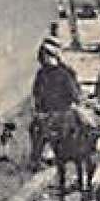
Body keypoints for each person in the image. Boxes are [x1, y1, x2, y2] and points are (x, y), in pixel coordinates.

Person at [30, 37, 82, 169]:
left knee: (44, 129)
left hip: (58, 113)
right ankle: (38, 158)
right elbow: (37, 94)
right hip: (51, 113)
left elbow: (75, 95)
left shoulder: (59, 74)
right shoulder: (46, 74)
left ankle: (48, 156)